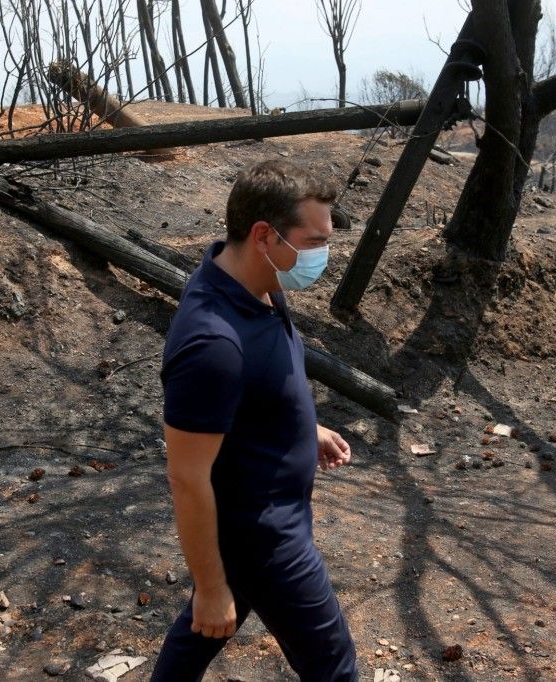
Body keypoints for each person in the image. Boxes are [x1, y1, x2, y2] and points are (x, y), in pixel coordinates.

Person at [152, 160, 358, 681]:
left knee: (199, 638)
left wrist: (301, 428)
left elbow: (257, 383)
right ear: (264, 235)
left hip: (266, 516)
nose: (322, 256)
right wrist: (212, 584)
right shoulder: (212, 344)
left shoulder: (255, 281)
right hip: (267, 538)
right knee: (334, 668)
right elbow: (186, 476)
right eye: (313, 242)